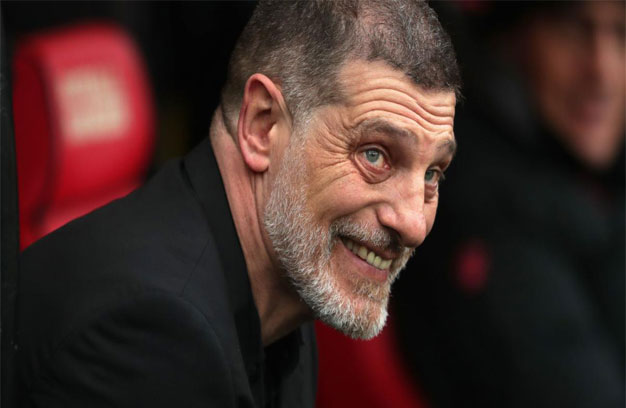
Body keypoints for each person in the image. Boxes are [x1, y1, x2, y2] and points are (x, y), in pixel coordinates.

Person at [16, 1, 460, 407]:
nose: (413, 224)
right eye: (375, 155)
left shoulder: (289, 292)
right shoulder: (154, 333)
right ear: (262, 125)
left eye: (432, 174)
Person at [394, 1, 624, 407]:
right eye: (573, 29)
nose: (601, 71)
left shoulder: (587, 184)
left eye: (623, 34)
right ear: (509, 39)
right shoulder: (483, 208)